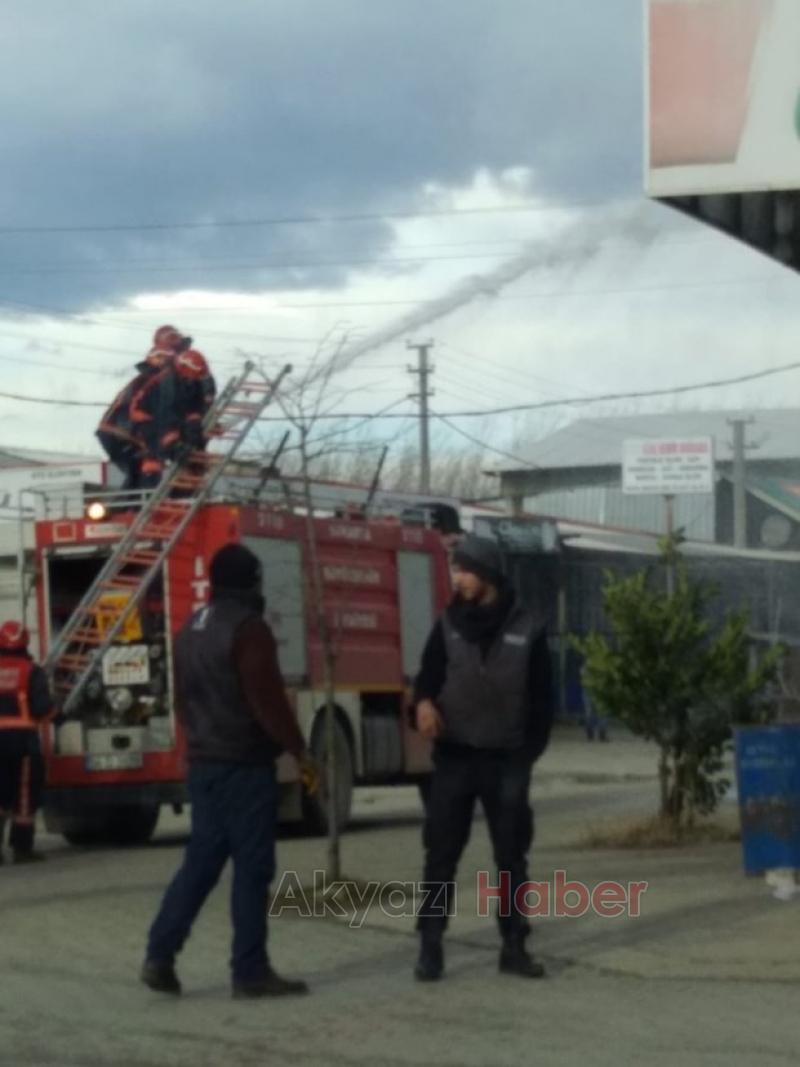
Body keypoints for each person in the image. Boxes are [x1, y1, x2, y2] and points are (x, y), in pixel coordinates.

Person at [141, 543, 318, 999]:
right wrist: (299, 751)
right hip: (244, 766)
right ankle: (250, 971)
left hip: (204, 764)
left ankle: (160, 954)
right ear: (250, 581)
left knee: (200, 865)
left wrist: (199, 742)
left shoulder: (190, 629)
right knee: (253, 869)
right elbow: (267, 700)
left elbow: (181, 700)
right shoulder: (248, 629)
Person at [413, 535, 553, 982]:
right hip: (454, 759)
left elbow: (543, 703)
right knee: (440, 856)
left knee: (511, 857)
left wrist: (524, 757)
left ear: (488, 574)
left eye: (465, 570)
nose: (457, 578)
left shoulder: (528, 627)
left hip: (506, 761)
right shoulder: (448, 625)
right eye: (455, 569)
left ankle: (514, 946)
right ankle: (430, 947)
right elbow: (427, 681)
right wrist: (422, 704)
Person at [96, 325, 191, 492]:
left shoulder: (153, 378)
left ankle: (131, 510)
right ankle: (134, 509)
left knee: (137, 475)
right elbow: (154, 413)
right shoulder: (157, 380)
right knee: (144, 472)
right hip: (124, 434)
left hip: (123, 433)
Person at [0, 621, 54, 864]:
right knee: (23, 796)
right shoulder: (31, 671)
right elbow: (43, 709)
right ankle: (22, 849)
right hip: (23, 744)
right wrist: (60, 713)